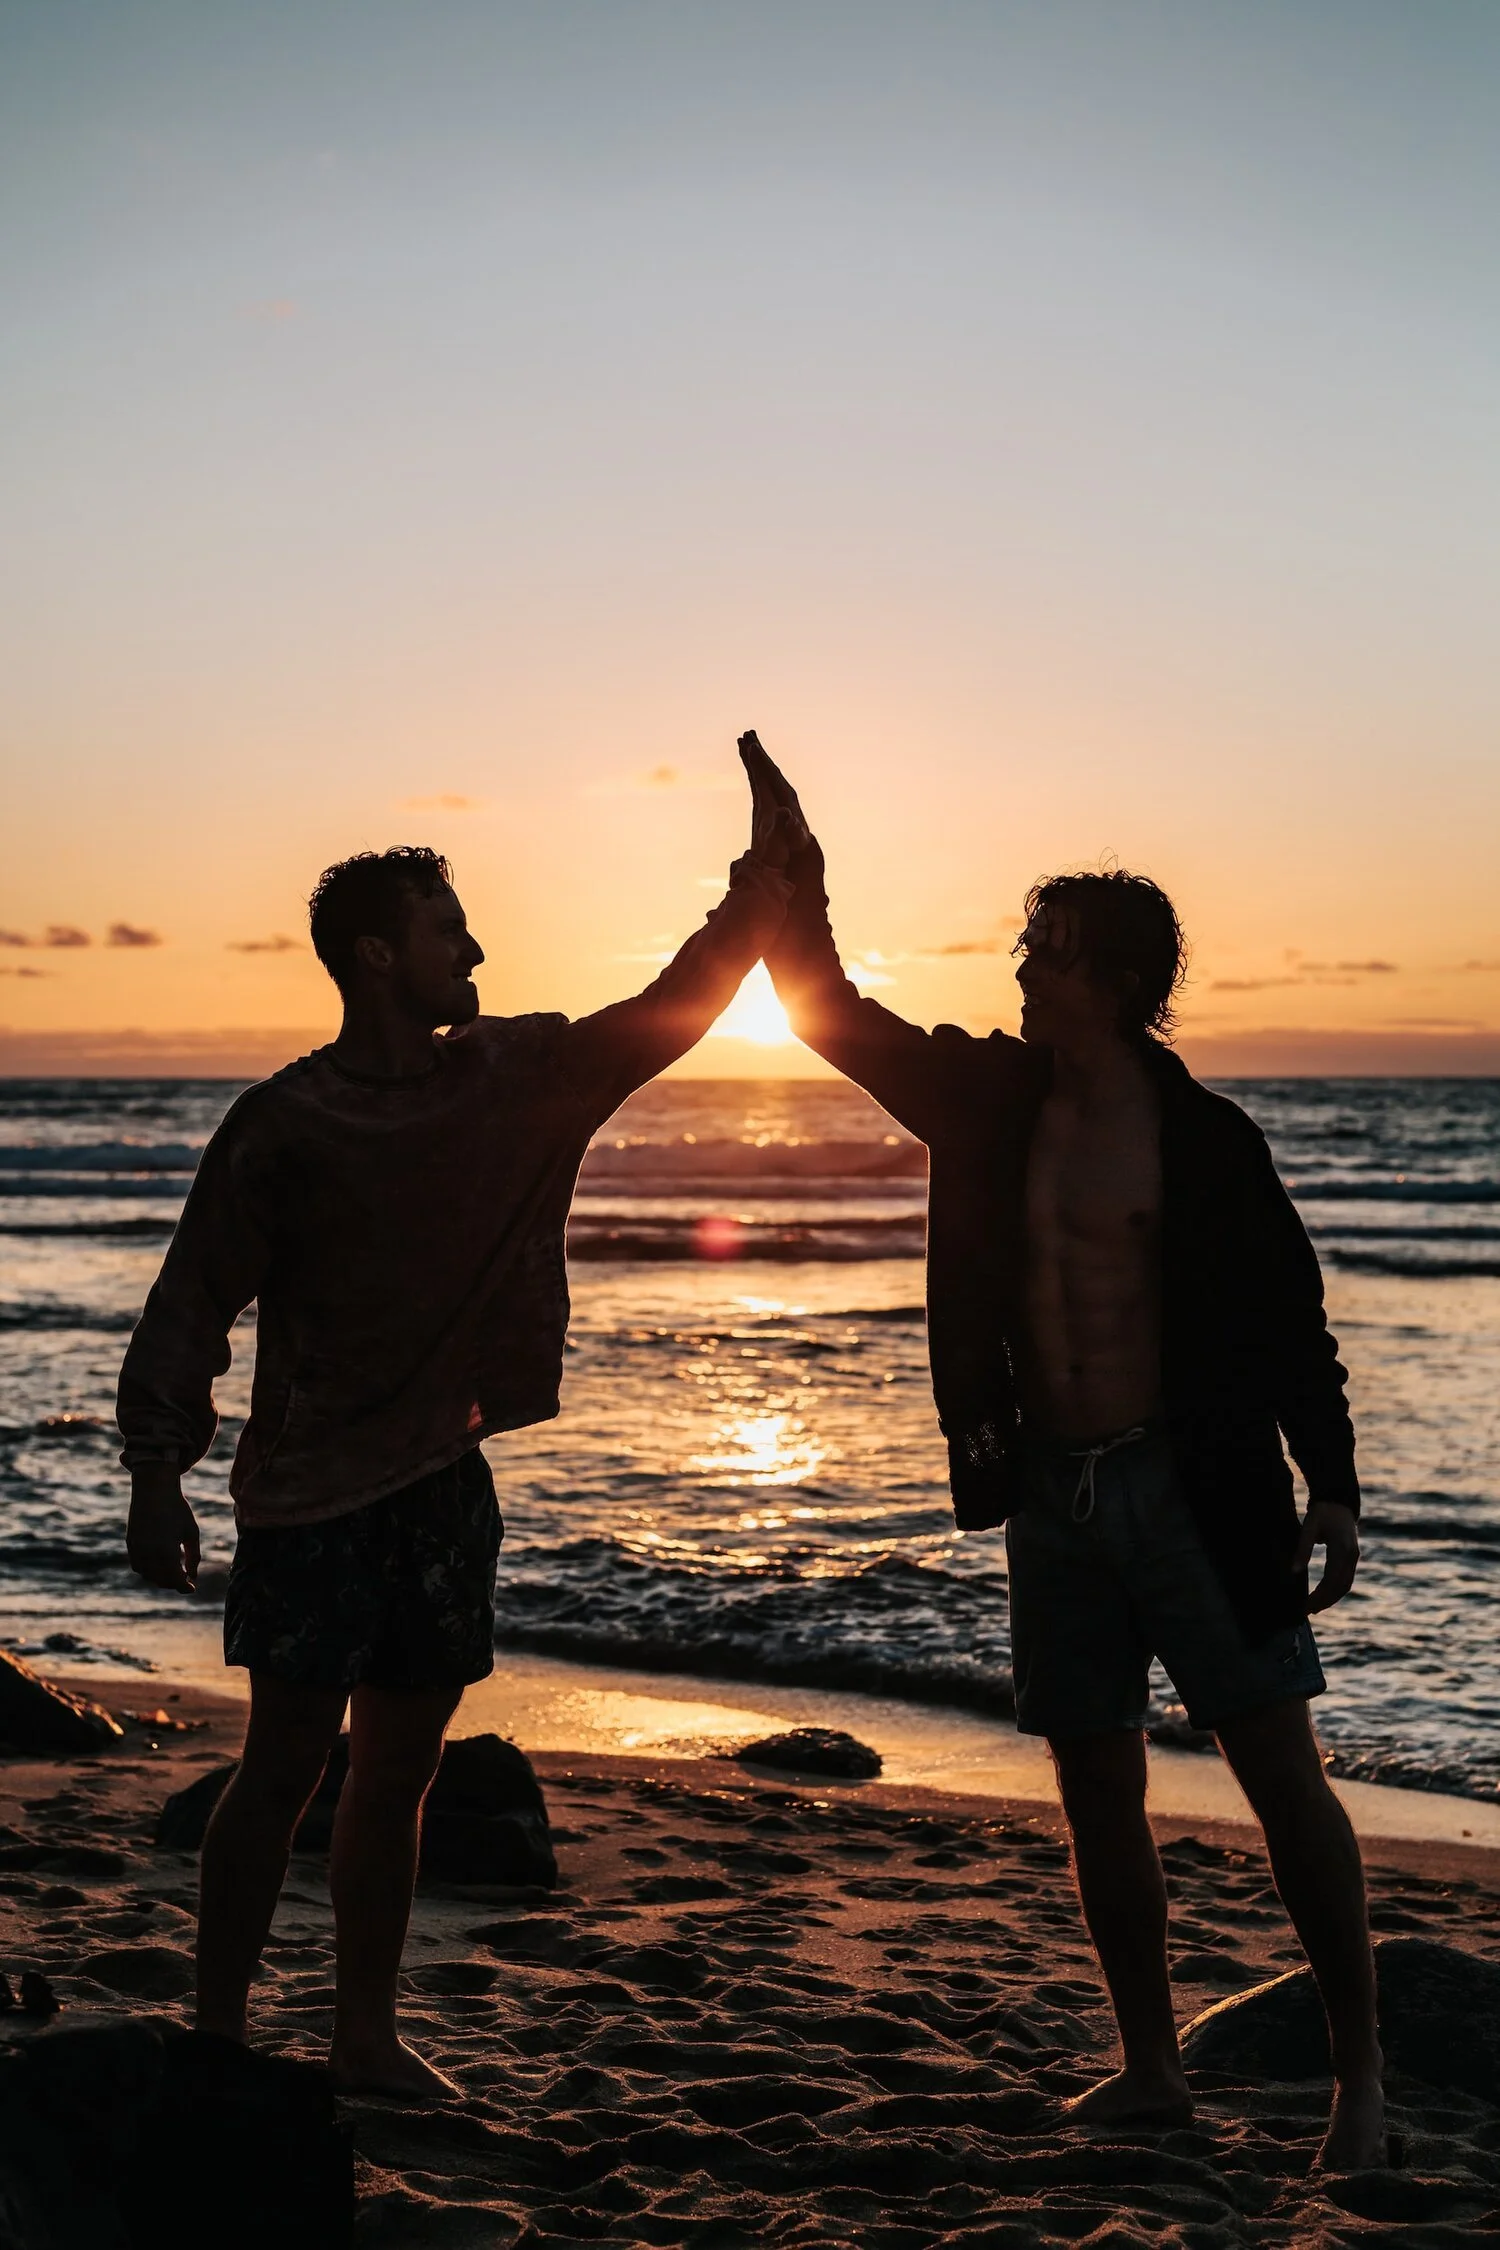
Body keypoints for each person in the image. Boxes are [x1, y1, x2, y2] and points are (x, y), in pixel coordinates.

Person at [741, 731, 1384, 2171]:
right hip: (1054, 1488)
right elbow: (831, 1016)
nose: (1020, 972)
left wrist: (1330, 1478)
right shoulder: (990, 1099)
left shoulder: (1208, 1142)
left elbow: (1292, 1322)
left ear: (1113, 977)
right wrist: (800, 885)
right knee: (1098, 1786)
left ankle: (1358, 2079)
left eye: (1044, 952)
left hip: (1198, 1492)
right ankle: (1152, 2066)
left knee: (1283, 1774)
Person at [120, 774, 796, 2097]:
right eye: (450, 928)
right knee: (282, 1766)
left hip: (442, 1485)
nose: (476, 951)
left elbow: (666, 1011)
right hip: (310, 1496)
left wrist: (758, 891)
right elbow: (192, 1296)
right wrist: (158, 1472)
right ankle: (217, 2031)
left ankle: (363, 2034)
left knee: (401, 1776)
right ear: (378, 953)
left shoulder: (515, 1078)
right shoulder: (287, 1125)